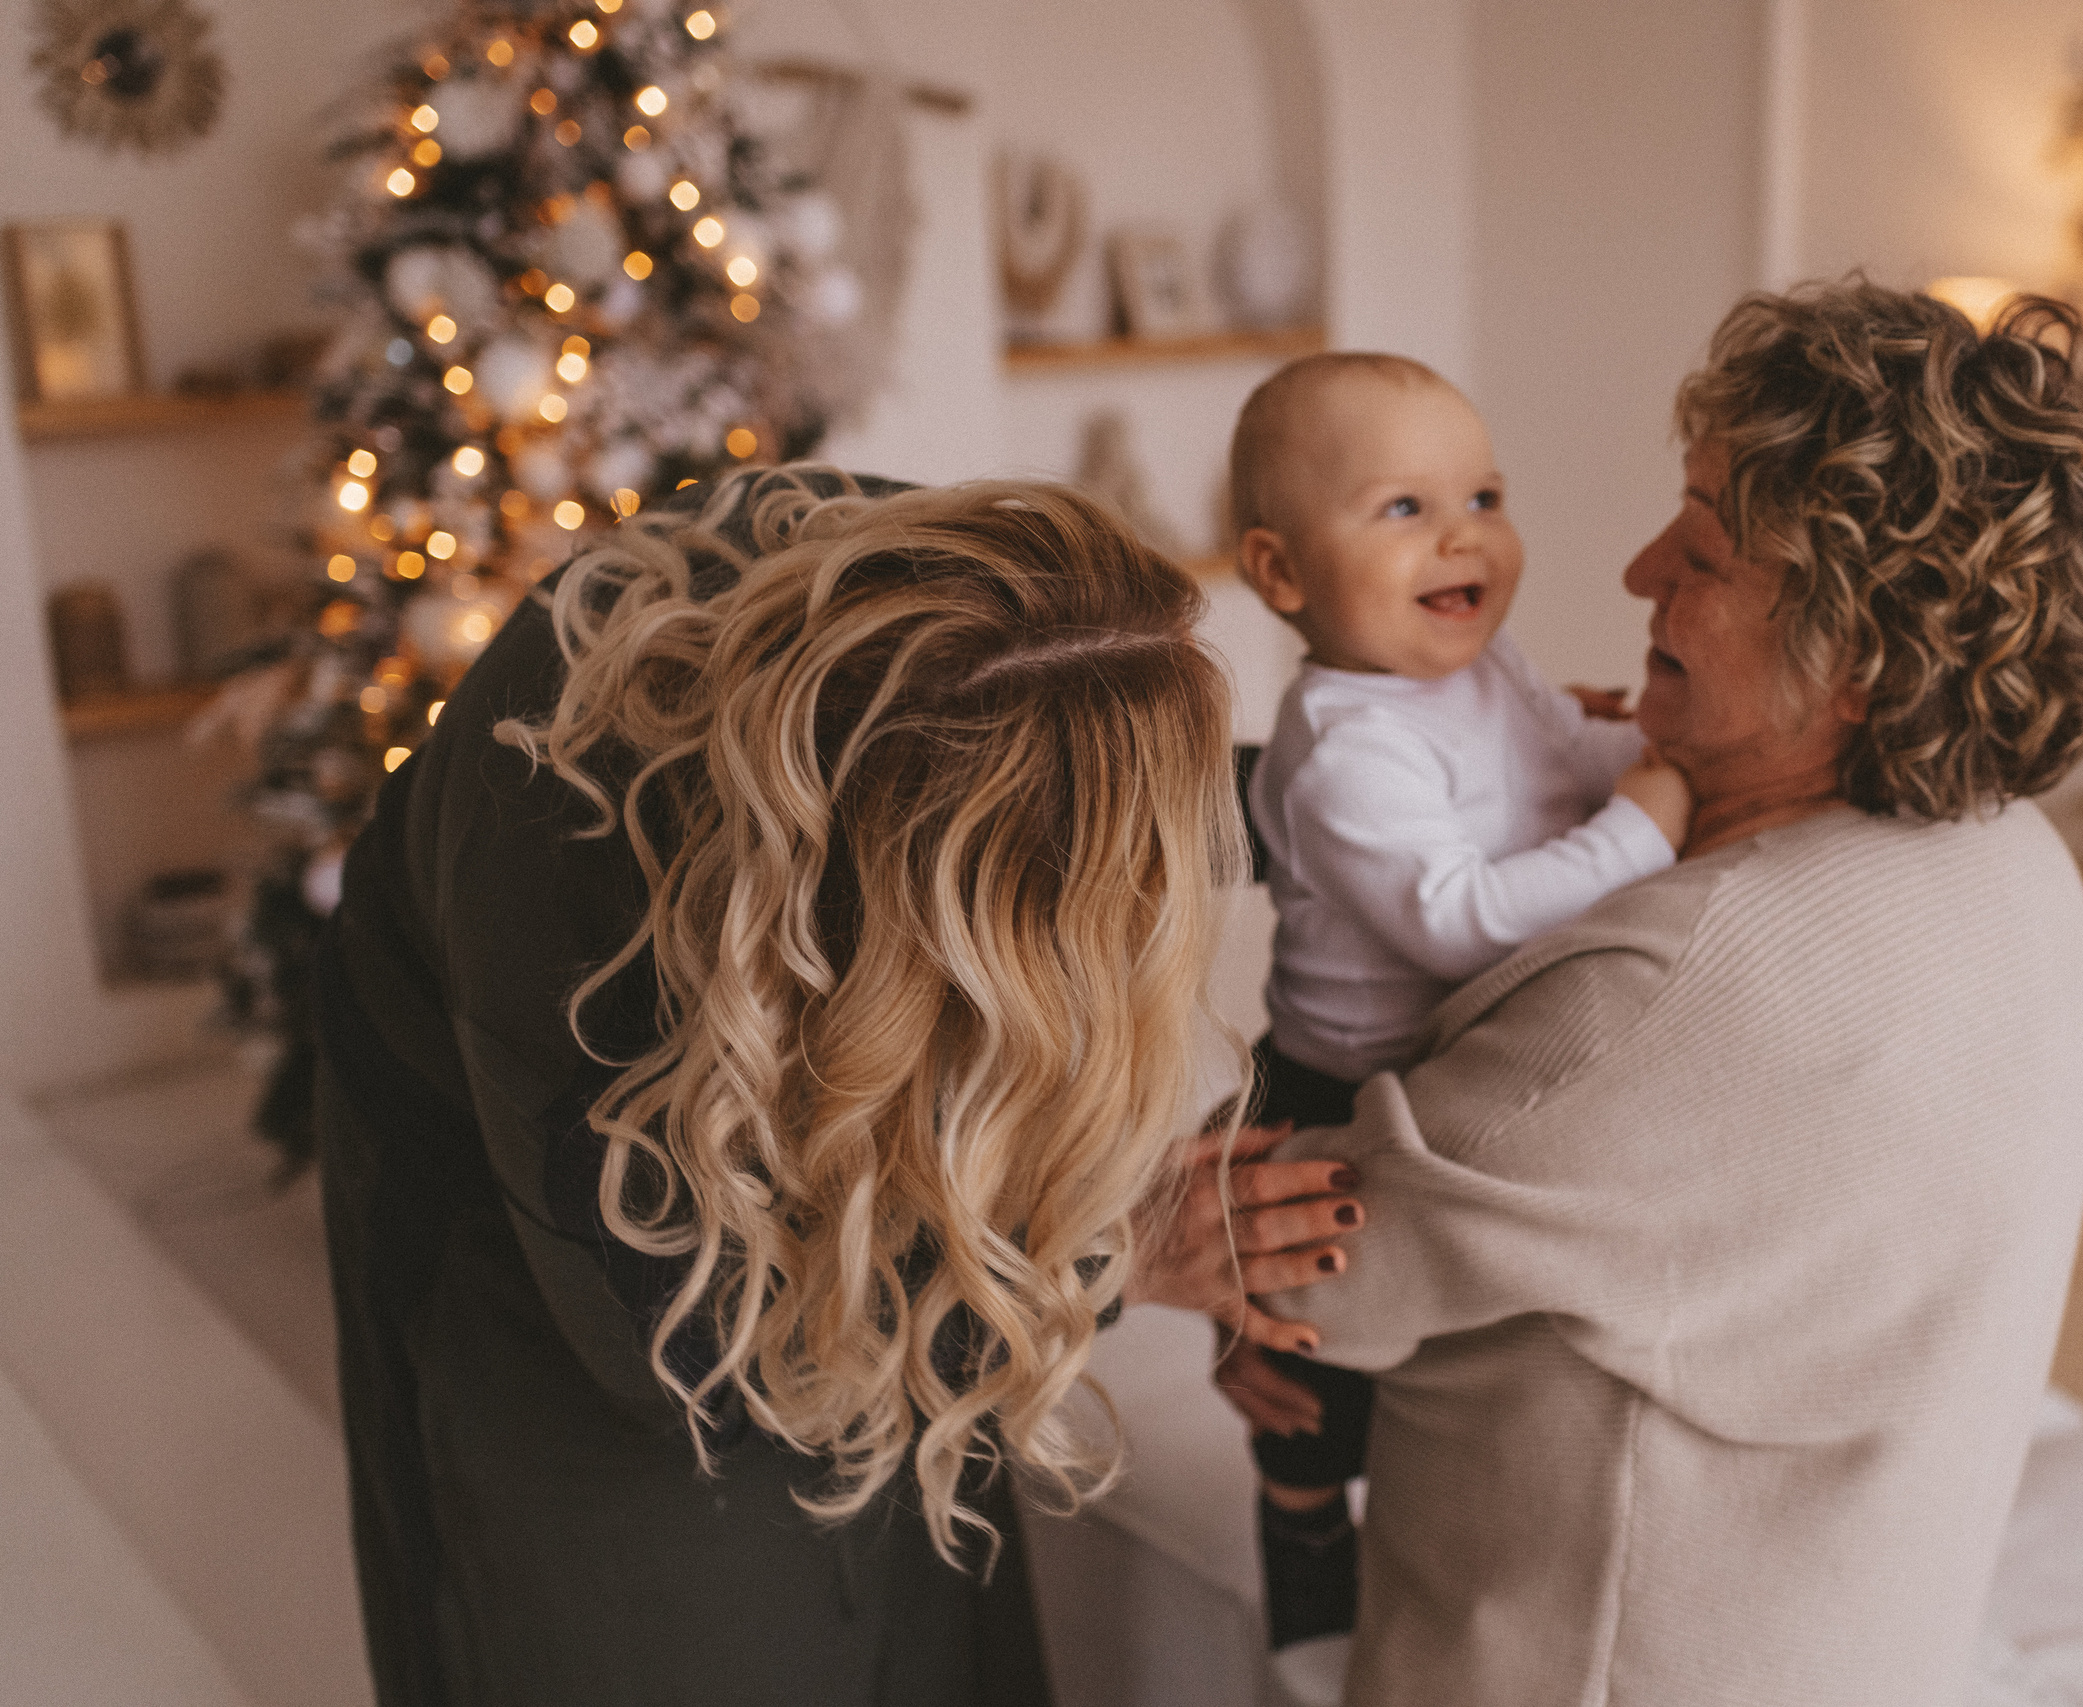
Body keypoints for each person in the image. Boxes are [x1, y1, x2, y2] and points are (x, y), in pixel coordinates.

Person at [1220, 281, 2083, 1705]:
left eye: (1707, 550)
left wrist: (1160, 1244)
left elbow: (1311, 1267)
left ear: (1854, 657)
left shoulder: (1676, 980)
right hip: (1865, 1628)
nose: (1637, 566)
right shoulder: (2021, 866)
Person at [315, 468, 1359, 1707]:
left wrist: (1460, 778)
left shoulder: (988, 610)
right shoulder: (563, 865)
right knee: (687, 1603)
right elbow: (681, 1354)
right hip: (553, 1286)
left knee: (913, 1561)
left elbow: (1121, 769)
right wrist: (1106, 1258)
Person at [1223, 352, 1692, 1645]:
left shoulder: (1485, 671)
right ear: (1280, 573)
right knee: (1314, 1367)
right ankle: (1308, 1561)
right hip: (1330, 1091)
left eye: (1483, 495)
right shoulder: (1345, 746)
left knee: (1445, 1353)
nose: (1463, 535)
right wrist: (1645, 830)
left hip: (1436, 1071)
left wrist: (1656, 758)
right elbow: (1457, 918)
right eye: (1403, 509)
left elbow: (1561, 752)